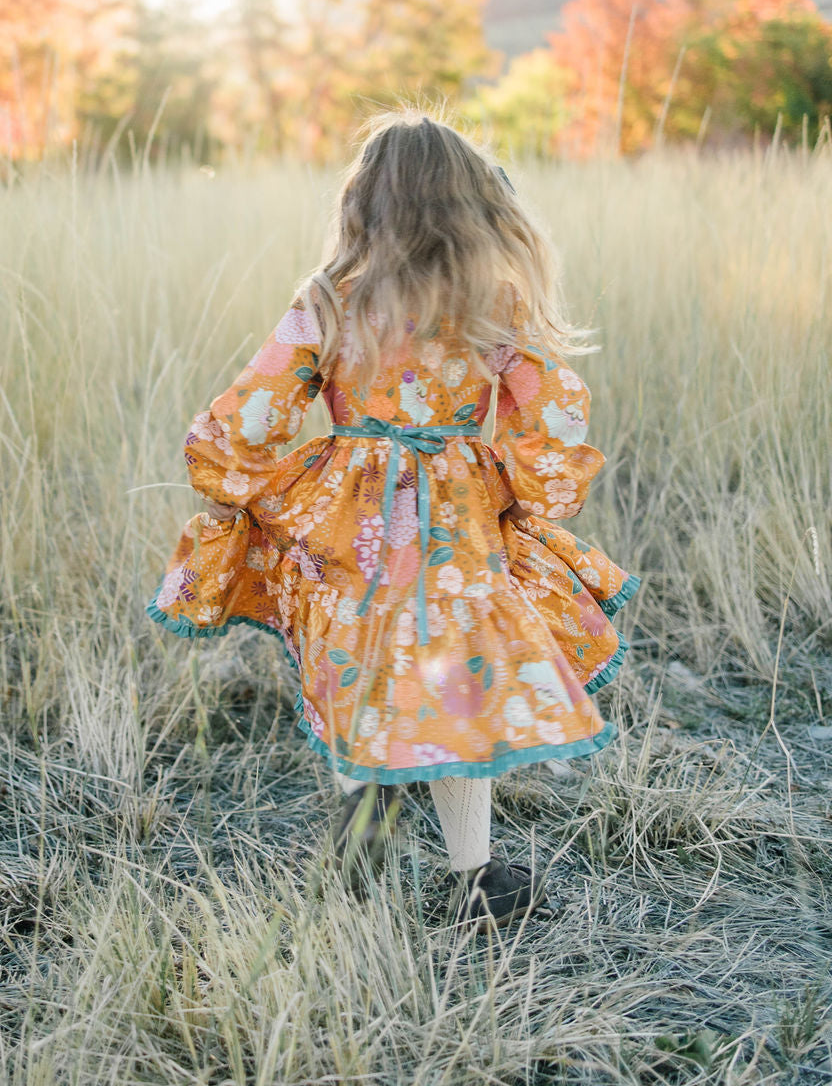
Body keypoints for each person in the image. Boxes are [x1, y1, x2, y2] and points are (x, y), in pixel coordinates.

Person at [147, 110, 638, 928]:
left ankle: (363, 865)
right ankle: (474, 878)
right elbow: (555, 411)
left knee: (357, 674)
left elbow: (256, 410)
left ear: (364, 201)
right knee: (456, 683)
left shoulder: (329, 299)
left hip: (350, 519)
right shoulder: (494, 299)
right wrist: (522, 487)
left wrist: (240, 476)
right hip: (458, 520)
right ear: (469, 200)